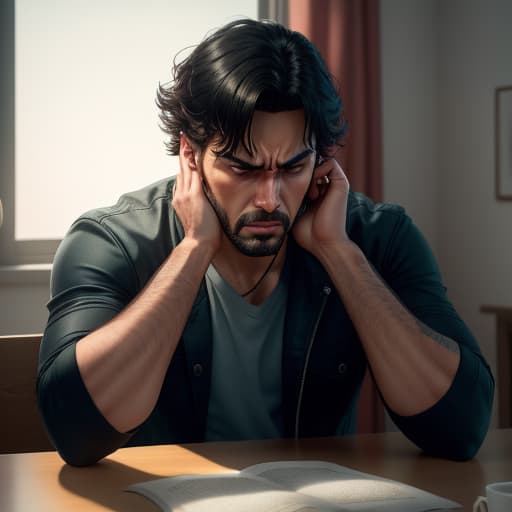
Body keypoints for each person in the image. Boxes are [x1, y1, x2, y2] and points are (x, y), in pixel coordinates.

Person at [37, 18, 494, 467]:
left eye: (293, 167)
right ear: (190, 157)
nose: (270, 199)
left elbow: (462, 427)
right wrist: (194, 247)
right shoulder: (109, 240)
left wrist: (338, 251)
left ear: (322, 160)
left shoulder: (377, 237)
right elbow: (77, 434)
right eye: (243, 168)